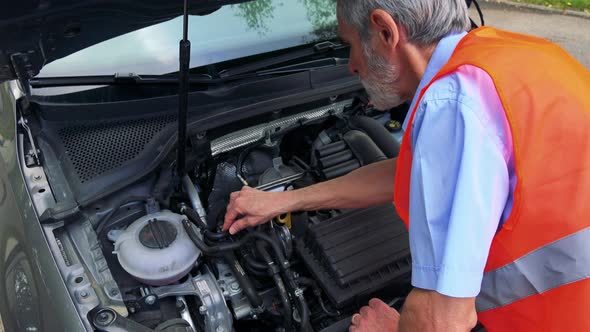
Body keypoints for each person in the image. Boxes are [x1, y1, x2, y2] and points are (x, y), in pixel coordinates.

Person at [223, 0, 590, 331]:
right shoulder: (519, 53)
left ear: (385, 32)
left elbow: (443, 320)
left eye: (349, 44)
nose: (350, 65)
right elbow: (408, 174)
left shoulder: (453, 103)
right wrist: (285, 200)